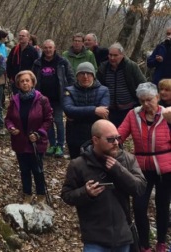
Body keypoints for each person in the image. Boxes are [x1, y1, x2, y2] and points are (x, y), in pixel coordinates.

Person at [61, 119, 147, 252]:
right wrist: (86, 193)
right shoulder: (78, 165)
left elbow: (140, 188)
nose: (116, 143)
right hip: (94, 239)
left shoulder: (128, 159)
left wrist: (119, 170)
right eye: (110, 139)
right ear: (95, 140)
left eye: (117, 138)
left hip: (122, 236)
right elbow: (66, 195)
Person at [117, 82, 171, 252]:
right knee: (139, 207)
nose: (146, 104)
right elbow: (120, 134)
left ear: (157, 98)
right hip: (141, 168)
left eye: (149, 100)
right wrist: (112, 142)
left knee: (163, 206)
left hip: (165, 168)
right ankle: (144, 244)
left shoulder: (167, 114)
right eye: (142, 101)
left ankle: (161, 242)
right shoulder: (133, 115)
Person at [5, 70, 53, 204]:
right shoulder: (14, 100)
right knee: (24, 170)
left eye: (27, 80)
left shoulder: (42, 100)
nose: (25, 83)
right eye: (22, 81)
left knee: (38, 169)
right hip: (20, 141)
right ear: (18, 85)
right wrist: (11, 128)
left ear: (32, 83)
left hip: (36, 142)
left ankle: (41, 195)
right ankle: (27, 194)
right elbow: (8, 119)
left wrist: (39, 133)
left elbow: (48, 119)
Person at [32, 39, 75, 158]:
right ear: (42, 48)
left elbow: (71, 78)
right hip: (43, 98)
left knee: (58, 121)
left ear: (54, 48)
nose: (48, 50)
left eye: (50, 47)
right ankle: (52, 144)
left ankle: (60, 146)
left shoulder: (62, 61)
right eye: (45, 48)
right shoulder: (38, 62)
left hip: (59, 97)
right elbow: (33, 78)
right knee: (48, 122)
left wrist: (70, 92)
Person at [63, 62, 110, 159]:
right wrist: (94, 110)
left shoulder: (104, 90)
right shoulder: (69, 91)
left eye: (88, 73)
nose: (85, 77)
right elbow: (68, 110)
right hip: (74, 134)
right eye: (82, 74)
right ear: (77, 76)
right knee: (77, 165)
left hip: (96, 135)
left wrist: (77, 114)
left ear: (93, 75)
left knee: (95, 164)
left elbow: (103, 112)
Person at [96, 42, 147, 127]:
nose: (112, 58)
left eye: (115, 55)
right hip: (109, 109)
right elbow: (97, 85)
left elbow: (143, 84)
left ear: (122, 55)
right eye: (110, 55)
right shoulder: (103, 67)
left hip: (129, 108)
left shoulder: (131, 66)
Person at [6, 30, 39, 94]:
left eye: (23, 36)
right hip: (16, 82)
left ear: (28, 38)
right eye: (20, 36)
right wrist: (10, 77)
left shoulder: (33, 51)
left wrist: (32, 79)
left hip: (27, 82)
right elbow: (9, 63)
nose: (21, 37)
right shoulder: (14, 49)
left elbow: (37, 66)